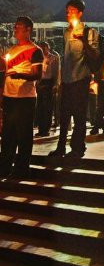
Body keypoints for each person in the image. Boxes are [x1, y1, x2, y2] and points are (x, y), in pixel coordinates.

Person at [1, 17, 44, 178]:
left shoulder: (35, 51)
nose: (15, 30)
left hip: (25, 98)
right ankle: (5, 167)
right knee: (7, 135)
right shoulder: (11, 51)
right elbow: (4, 73)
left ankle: (21, 169)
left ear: (28, 30)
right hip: (9, 96)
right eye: (15, 27)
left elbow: (37, 74)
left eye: (19, 27)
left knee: (23, 135)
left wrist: (19, 74)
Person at [33, 41, 56, 137]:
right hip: (39, 82)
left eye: (45, 47)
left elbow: (56, 72)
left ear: (48, 48)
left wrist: (55, 85)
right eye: (41, 47)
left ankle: (46, 128)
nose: (43, 49)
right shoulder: (39, 58)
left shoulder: (53, 58)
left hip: (48, 83)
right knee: (40, 107)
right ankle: (41, 128)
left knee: (47, 107)